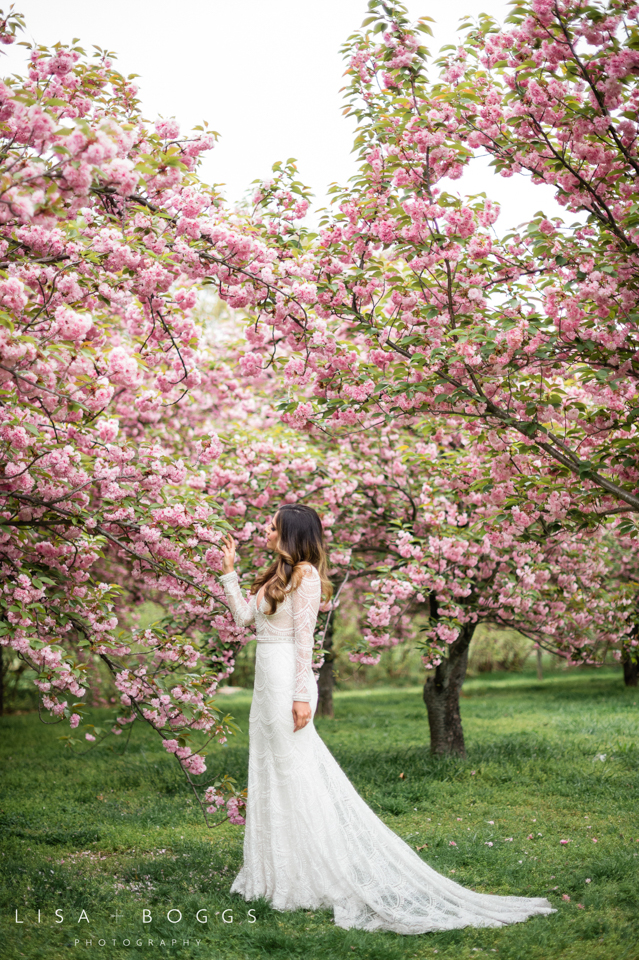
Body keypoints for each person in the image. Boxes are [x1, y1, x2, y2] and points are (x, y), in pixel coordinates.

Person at [218, 503, 555, 934]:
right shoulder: (275, 575)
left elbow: (305, 642)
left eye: (272, 527)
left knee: (293, 773)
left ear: (292, 534)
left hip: (287, 681)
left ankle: (309, 870)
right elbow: (244, 619)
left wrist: (303, 695)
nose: (264, 531)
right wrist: (229, 572)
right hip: (264, 685)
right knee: (269, 770)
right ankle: (272, 871)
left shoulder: (305, 577)